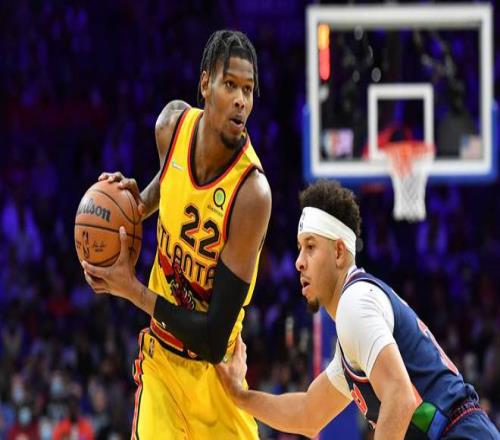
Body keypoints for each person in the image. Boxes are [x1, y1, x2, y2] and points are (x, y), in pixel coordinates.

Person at [82, 30, 271, 439]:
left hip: (216, 375)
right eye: (230, 85)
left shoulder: (251, 195)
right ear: (205, 84)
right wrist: (136, 203)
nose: (241, 100)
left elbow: (212, 338)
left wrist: (132, 290)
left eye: (248, 89)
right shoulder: (171, 126)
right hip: (162, 365)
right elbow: (170, 184)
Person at [216, 180, 499, 440]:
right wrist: (239, 395)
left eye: (310, 247)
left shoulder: (356, 303)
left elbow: (400, 397)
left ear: (339, 252)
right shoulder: (354, 330)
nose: (299, 262)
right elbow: (308, 414)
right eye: (300, 248)